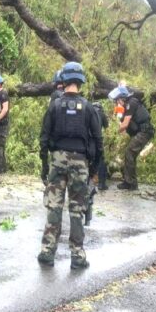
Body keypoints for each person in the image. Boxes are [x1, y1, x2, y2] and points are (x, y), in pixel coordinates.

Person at [37, 61, 102, 270]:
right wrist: (93, 170)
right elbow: (98, 141)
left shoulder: (55, 105)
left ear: (63, 81)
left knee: (54, 206)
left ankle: (47, 252)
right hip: (81, 162)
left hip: (58, 160)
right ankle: (77, 255)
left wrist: (45, 164)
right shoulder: (89, 108)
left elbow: (44, 137)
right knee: (77, 209)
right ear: (81, 81)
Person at [108, 85, 155, 190]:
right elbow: (125, 124)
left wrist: (114, 133)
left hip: (145, 131)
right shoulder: (126, 106)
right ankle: (129, 181)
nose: (116, 103)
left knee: (130, 152)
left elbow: (124, 125)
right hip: (140, 132)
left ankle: (131, 183)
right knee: (129, 153)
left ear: (122, 98)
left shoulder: (131, 103)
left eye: (117, 101)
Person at [91, 101, 109, 190]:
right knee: (101, 159)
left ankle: (87, 182)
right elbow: (107, 128)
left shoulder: (88, 112)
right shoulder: (102, 114)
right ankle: (102, 184)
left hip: (87, 140)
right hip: (98, 138)